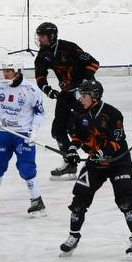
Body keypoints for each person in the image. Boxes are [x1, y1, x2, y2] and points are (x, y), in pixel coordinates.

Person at [59, 78, 132, 259]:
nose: (80, 98)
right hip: (95, 164)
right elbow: (77, 137)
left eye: (84, 95)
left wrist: (101, 151)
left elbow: (118, 141)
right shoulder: (80, 114)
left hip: (118, 163)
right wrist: (73, 151)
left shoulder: (113, 114)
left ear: (95, 96)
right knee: (79, 199)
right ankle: (73, 236)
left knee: (125, 200)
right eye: (80, 94)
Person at [0, 59, 48, 216]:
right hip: (4, 132)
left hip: (23, 134)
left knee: (27, 168)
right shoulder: (0, 87)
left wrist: (34, 130)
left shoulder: (31, 90)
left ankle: (37, 202)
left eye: (9, 70)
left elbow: (40, 113)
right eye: (4, 70)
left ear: (17, 71)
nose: (5, 73)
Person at [33, 22, 99, 179]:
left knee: (77, 127)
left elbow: (93, 63)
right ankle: (69, 163)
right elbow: (40, 75)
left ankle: (96, 157)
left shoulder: (69, 47)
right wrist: (47, 89)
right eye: (39, 36)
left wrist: (83, 83)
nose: (40, 39)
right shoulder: (43, 54)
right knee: (57, 130)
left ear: (52, 36)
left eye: (42, 36)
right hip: (66, 92)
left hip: (84, 94)